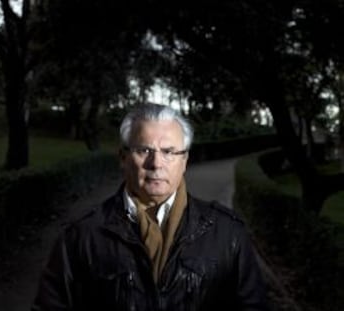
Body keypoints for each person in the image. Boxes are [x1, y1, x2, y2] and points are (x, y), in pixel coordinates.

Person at [31, 103, 269, 310]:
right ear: (123, 158)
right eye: (144, 150)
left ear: (184, 160)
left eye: (169, 152)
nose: (156, 164)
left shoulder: (228, 233)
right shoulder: (80, 236)